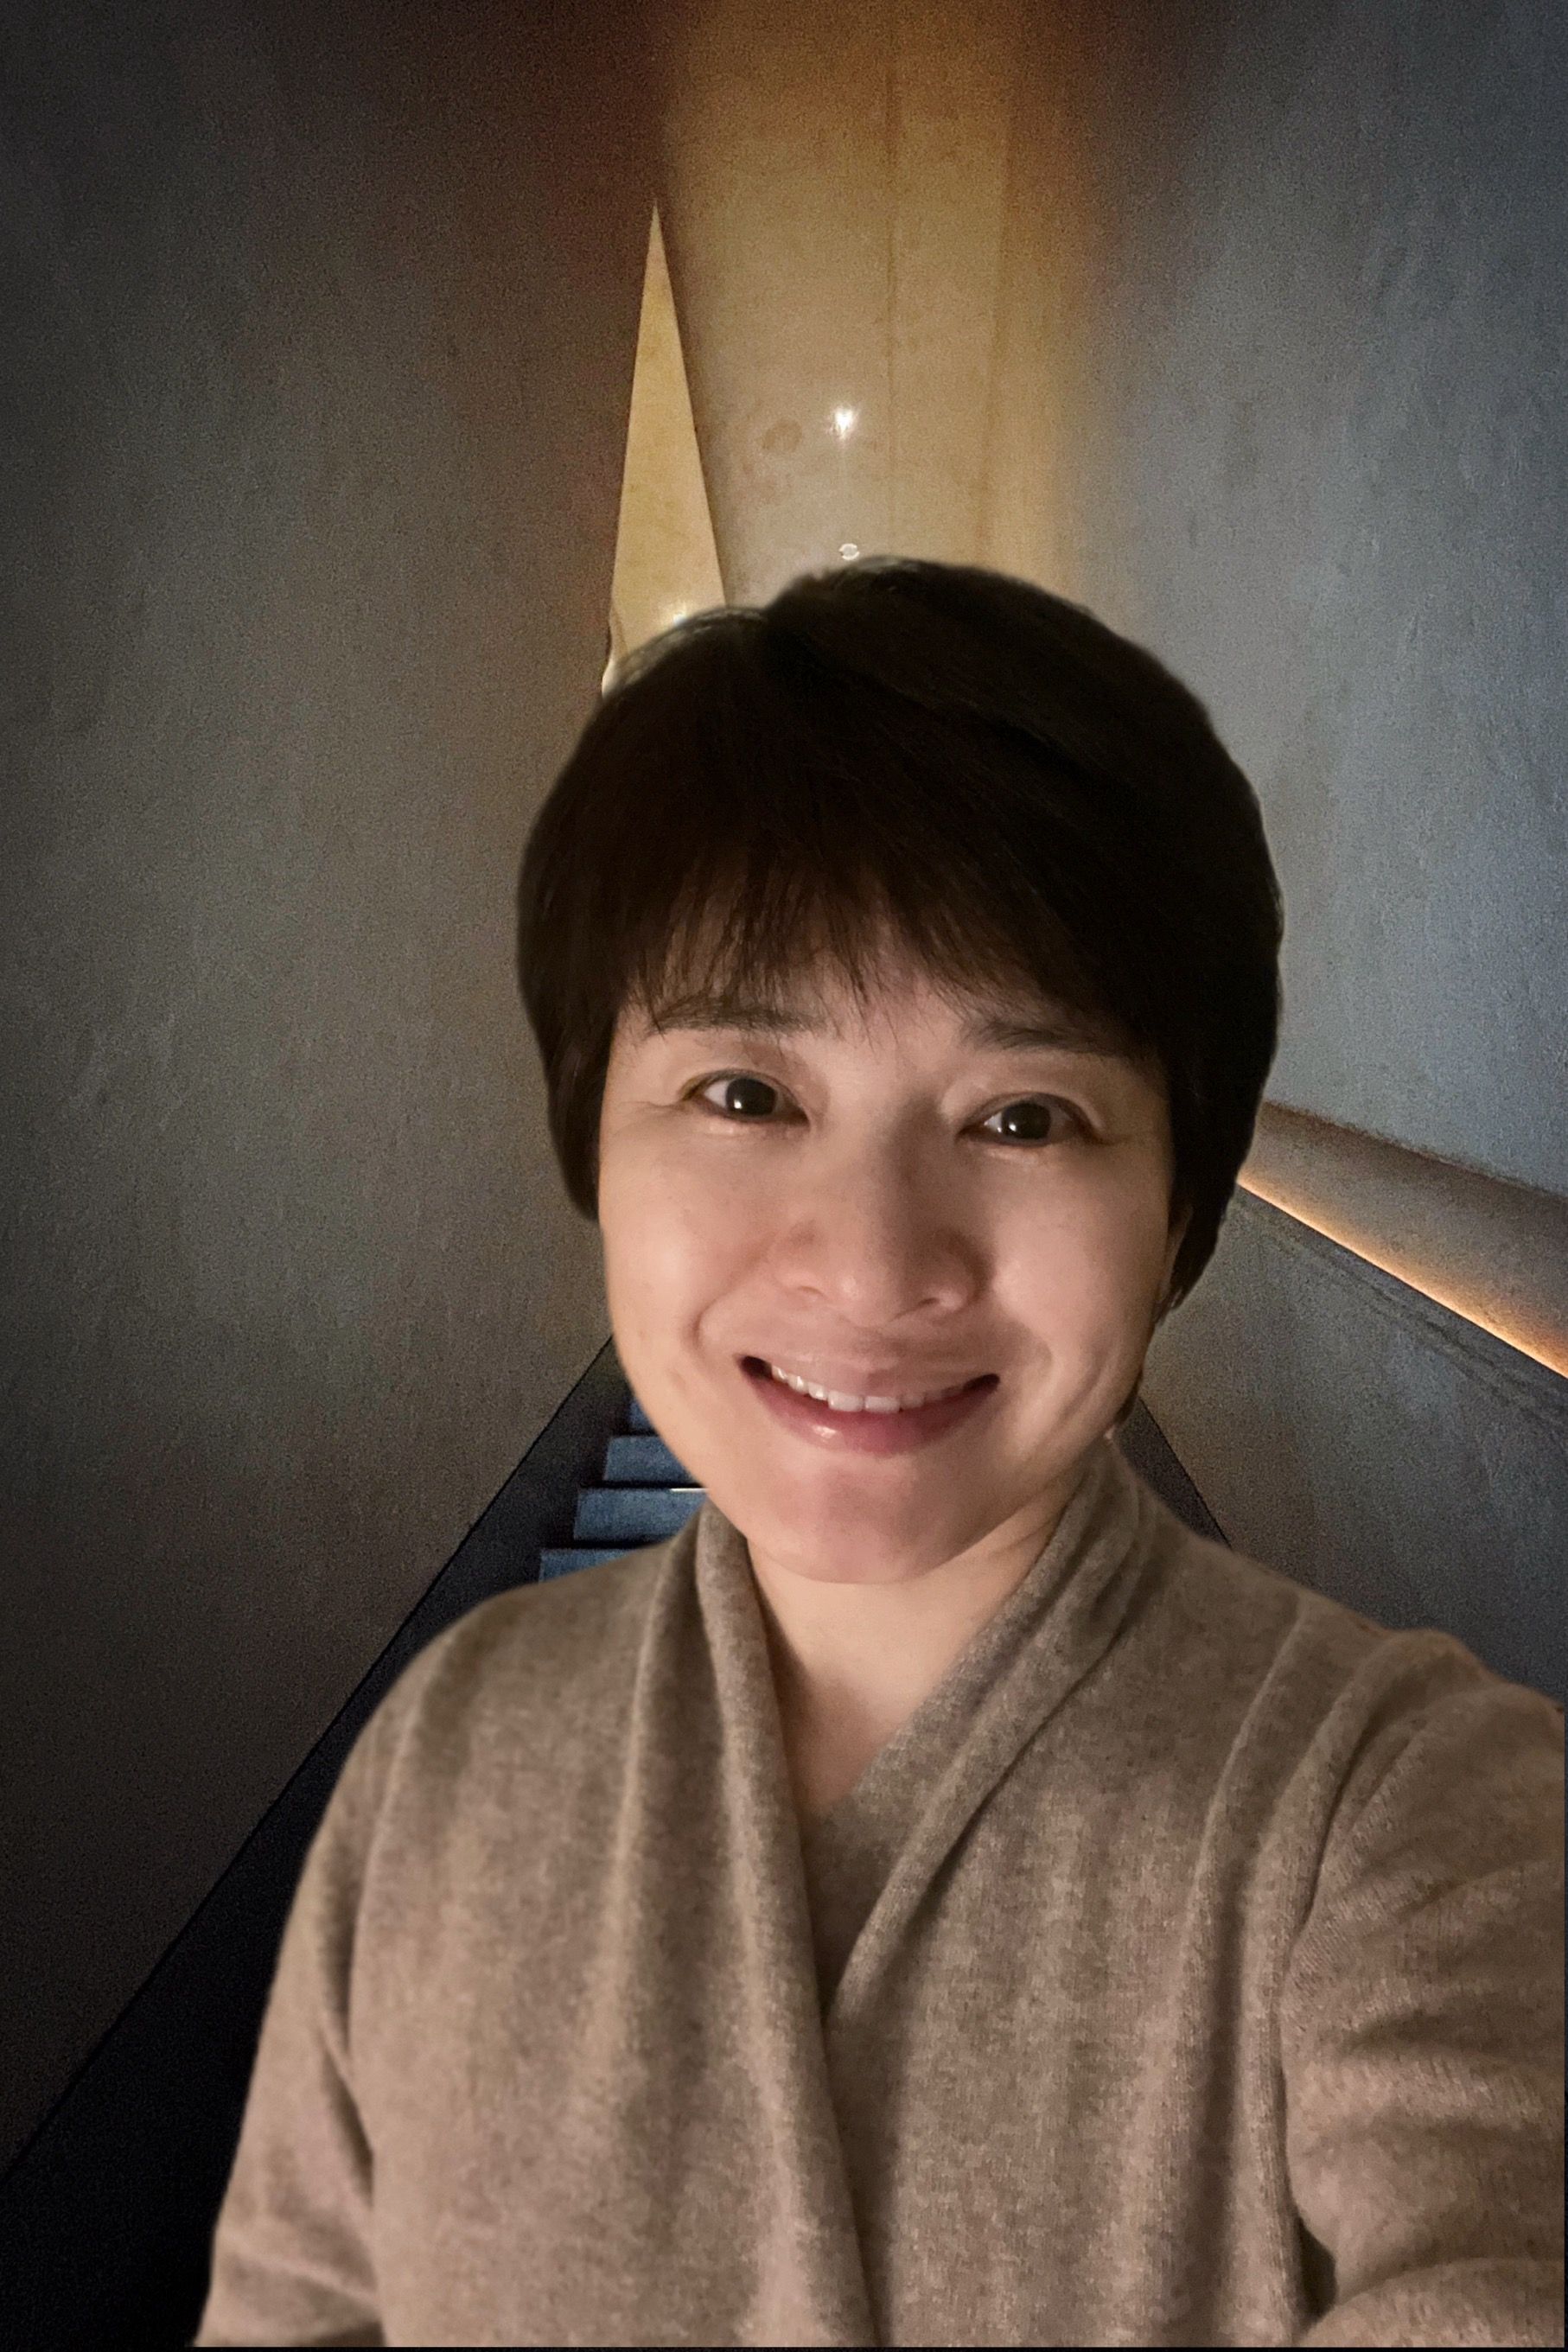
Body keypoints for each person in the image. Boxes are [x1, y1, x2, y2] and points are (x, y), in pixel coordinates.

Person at [194, 558, 1564, 2346]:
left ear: (1178, 1207)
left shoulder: (1415, 1809)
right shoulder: (446, 1753)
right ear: (594, 1139)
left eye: (1024, 1114)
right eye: (746, 1093)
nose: (871, 1262)